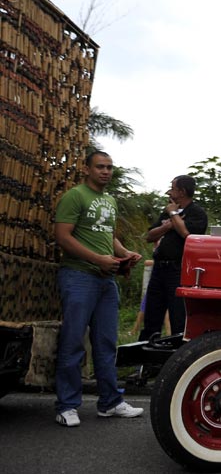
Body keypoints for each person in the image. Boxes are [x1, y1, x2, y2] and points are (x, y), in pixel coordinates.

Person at [53, 150, 144, 427]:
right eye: (100, 167)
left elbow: (108, 235)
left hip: (106, 281)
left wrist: (125, 252)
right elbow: (62, 236)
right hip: (79, 276)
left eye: (109, 167)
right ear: (87, 169)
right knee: (73, 342)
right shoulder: (75, 196)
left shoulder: (108, 200)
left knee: (106, 343)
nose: (106, 171)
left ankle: (110, 403)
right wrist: (97, 260)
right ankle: (66, 406)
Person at [139, 174, 208, 341]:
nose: (169, 191)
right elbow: (149, 236)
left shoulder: (196, 213)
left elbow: (186, 233)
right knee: (152, 314)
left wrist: (173, 214)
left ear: (182, 192)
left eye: (173, 188)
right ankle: (146, 360)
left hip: (179, 270)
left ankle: (177, 356)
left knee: (178, 317)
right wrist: (170, 223)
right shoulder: (168, 212)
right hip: (159, 268)